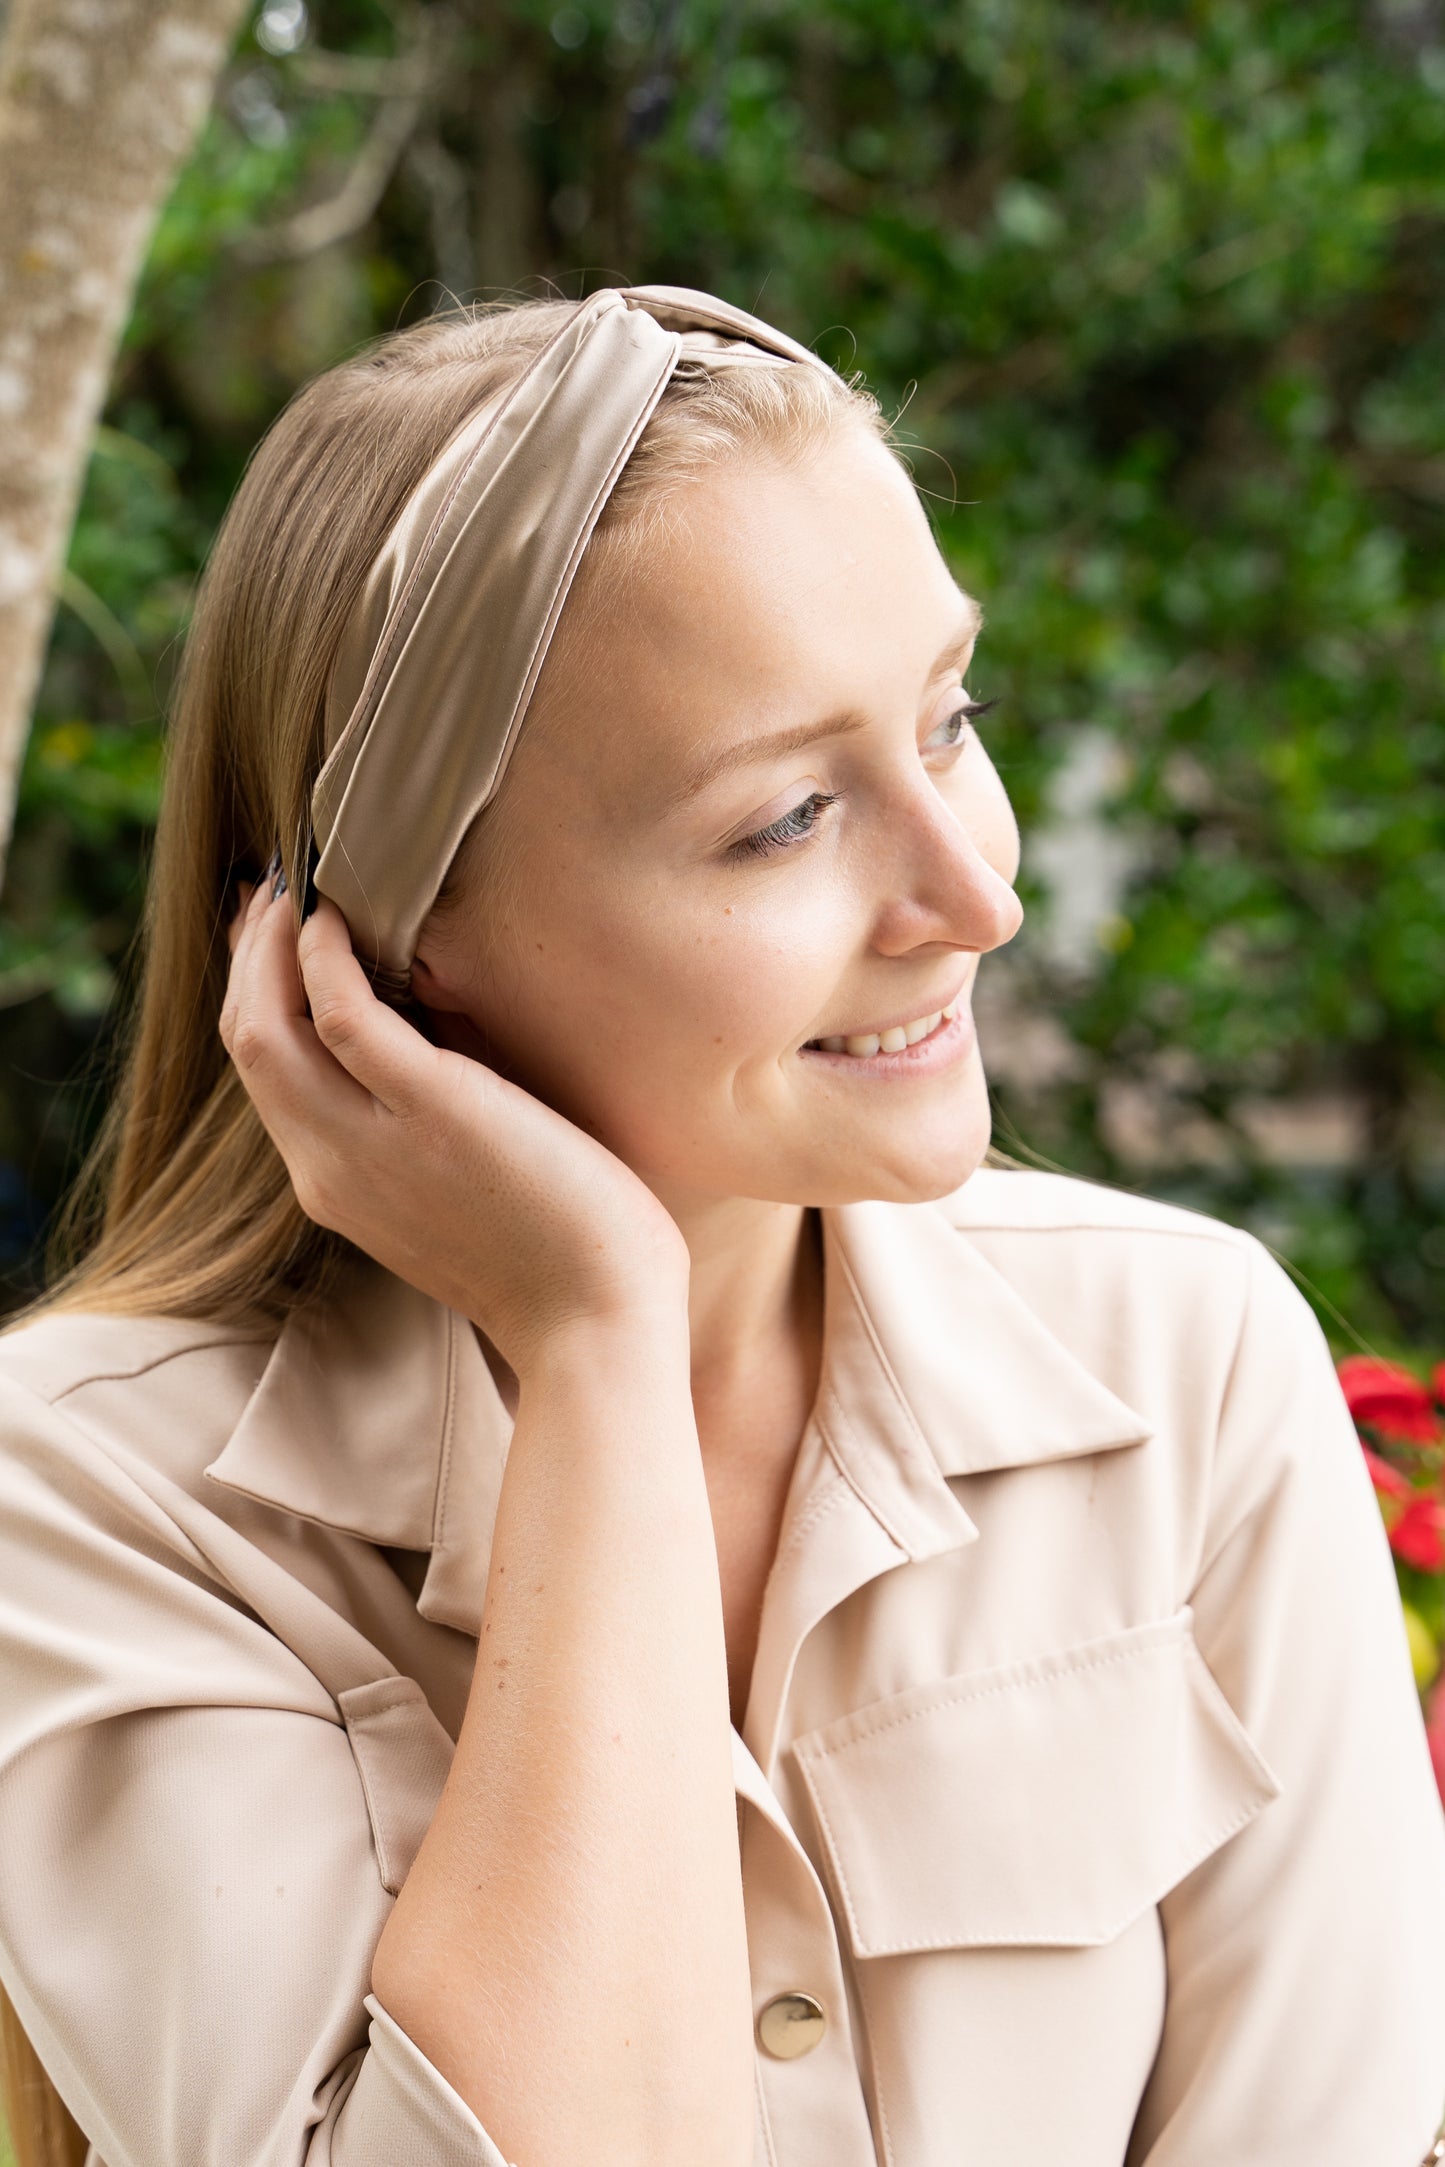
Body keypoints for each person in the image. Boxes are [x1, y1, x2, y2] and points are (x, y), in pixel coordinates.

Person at [0, 284, 1441, 2167]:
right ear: (391, 939)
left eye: (952, 720)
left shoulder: (1186, 1368)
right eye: (782, 821)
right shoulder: (99, 1495)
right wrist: (599, 1350)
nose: (970, 894)